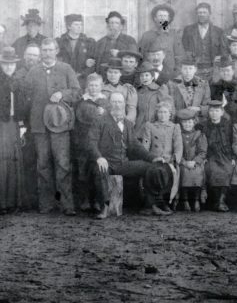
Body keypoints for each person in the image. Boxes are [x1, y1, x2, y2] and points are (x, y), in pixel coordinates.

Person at [88, 93, 168, 219]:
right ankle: (105, 207)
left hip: (123, 164)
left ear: (124, 104)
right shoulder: (99, 121)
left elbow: (135, 146)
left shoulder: (128, 124)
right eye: (114, 102)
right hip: (106, 162)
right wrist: (99, 157)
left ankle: (151, 205)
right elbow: (91, 142)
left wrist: (152, 158)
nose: (117, 105)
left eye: (120, 102)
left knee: (153, 168)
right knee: (99, 170)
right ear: (109, 104)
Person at [24, 38, 80, 215]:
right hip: (39, 125)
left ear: (56, 51)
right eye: (44, 50)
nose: (47, 53)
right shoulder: (33, 71)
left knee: (63, 164)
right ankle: (46, 204)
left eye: (50, 50)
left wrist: (62, 94)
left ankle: (67, 204)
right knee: (43, 164)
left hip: (60, 124)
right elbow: (26, 96)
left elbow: (77, 92)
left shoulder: (65, 69)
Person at [0, 46, 27, 213]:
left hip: (14, 125)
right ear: (1, 65)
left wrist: (21, 126)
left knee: (15, 161)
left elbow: (22, 106)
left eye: (11, 64)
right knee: (1, 163)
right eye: (5, 64)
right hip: (0, 125)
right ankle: (1, 203)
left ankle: (15, 202)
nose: (8, 67)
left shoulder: (18, 82)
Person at [72, 73, 109, 212]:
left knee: (96, 168)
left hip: (98, 140)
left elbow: (107, 119)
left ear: (101, 86)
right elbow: (78, 118)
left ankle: (98, 200)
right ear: (87, 87)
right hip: (82, 138)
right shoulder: (81, 101)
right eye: (91, 86)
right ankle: (85, 199)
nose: (93, 88)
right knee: (82, 169)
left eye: (96, 85)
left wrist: (103, 113)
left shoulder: (105, 101)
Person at [197, 98, 236, 212]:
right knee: (212, 170)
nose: (214, 113)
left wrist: (233, 157)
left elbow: (234, 142)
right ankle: (216, 201)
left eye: (217, 111)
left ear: (222, 112)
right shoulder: (202, 125)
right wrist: (203, 157)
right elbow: (199, 143)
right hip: (210, 155)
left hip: (226, 155)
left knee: (228, 169)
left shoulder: (228, 125)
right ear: (208, 112)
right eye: (212, 111)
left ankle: (221, 200)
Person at [141, 103, 182, 212]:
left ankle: (164, 202)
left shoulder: (174, 127)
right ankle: (154, 203)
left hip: (168, 160)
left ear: (170, 114)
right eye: (160, 112)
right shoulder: (150, 126)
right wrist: (149, 158)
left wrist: (175, 160)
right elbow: (145, 145)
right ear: (156, 114)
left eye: (165, 112)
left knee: (168, 172)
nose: (162, 115)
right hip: (154, 160)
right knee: (155, 172)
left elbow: (178, 146)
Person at [181, 3, 224, 81]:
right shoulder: (188, 30)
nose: (201, 15)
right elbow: (184, 48)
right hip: (194, 68)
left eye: (204, 12)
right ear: (196, 14)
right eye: (199, 13)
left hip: (212, 68)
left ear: (209, 14)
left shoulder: (218, 31)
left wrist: (219, 58)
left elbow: (222, 50)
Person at [176, 108, 207, 211]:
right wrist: (184, 162)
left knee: (197, 171)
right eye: (185, 122)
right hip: (183, 162)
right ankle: (185, 201)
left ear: (194, 122)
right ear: (181, 123)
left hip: (195, 162)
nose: (187, 125)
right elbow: (176, 151)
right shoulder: (178, 135)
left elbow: (203, 152)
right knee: (184, 172)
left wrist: (195, 161)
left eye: (190, 122)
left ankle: (197, 199)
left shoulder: (199, 135)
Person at [131, 64, 170, 139]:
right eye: (142, 76)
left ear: (152, 77)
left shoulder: (159, 90)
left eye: (146, 75)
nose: (144, 78)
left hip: (155, 124)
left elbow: (166, 108)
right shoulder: (137, 91)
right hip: (139, 126)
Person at [57, 13, 96, 83]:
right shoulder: (60, 42)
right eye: (76, 25)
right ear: (69, 26)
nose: (79, 27)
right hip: (64, 78)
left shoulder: (89, 42)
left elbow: (92, 64)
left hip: (82, 79)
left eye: (81, 25)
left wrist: (82, 74)